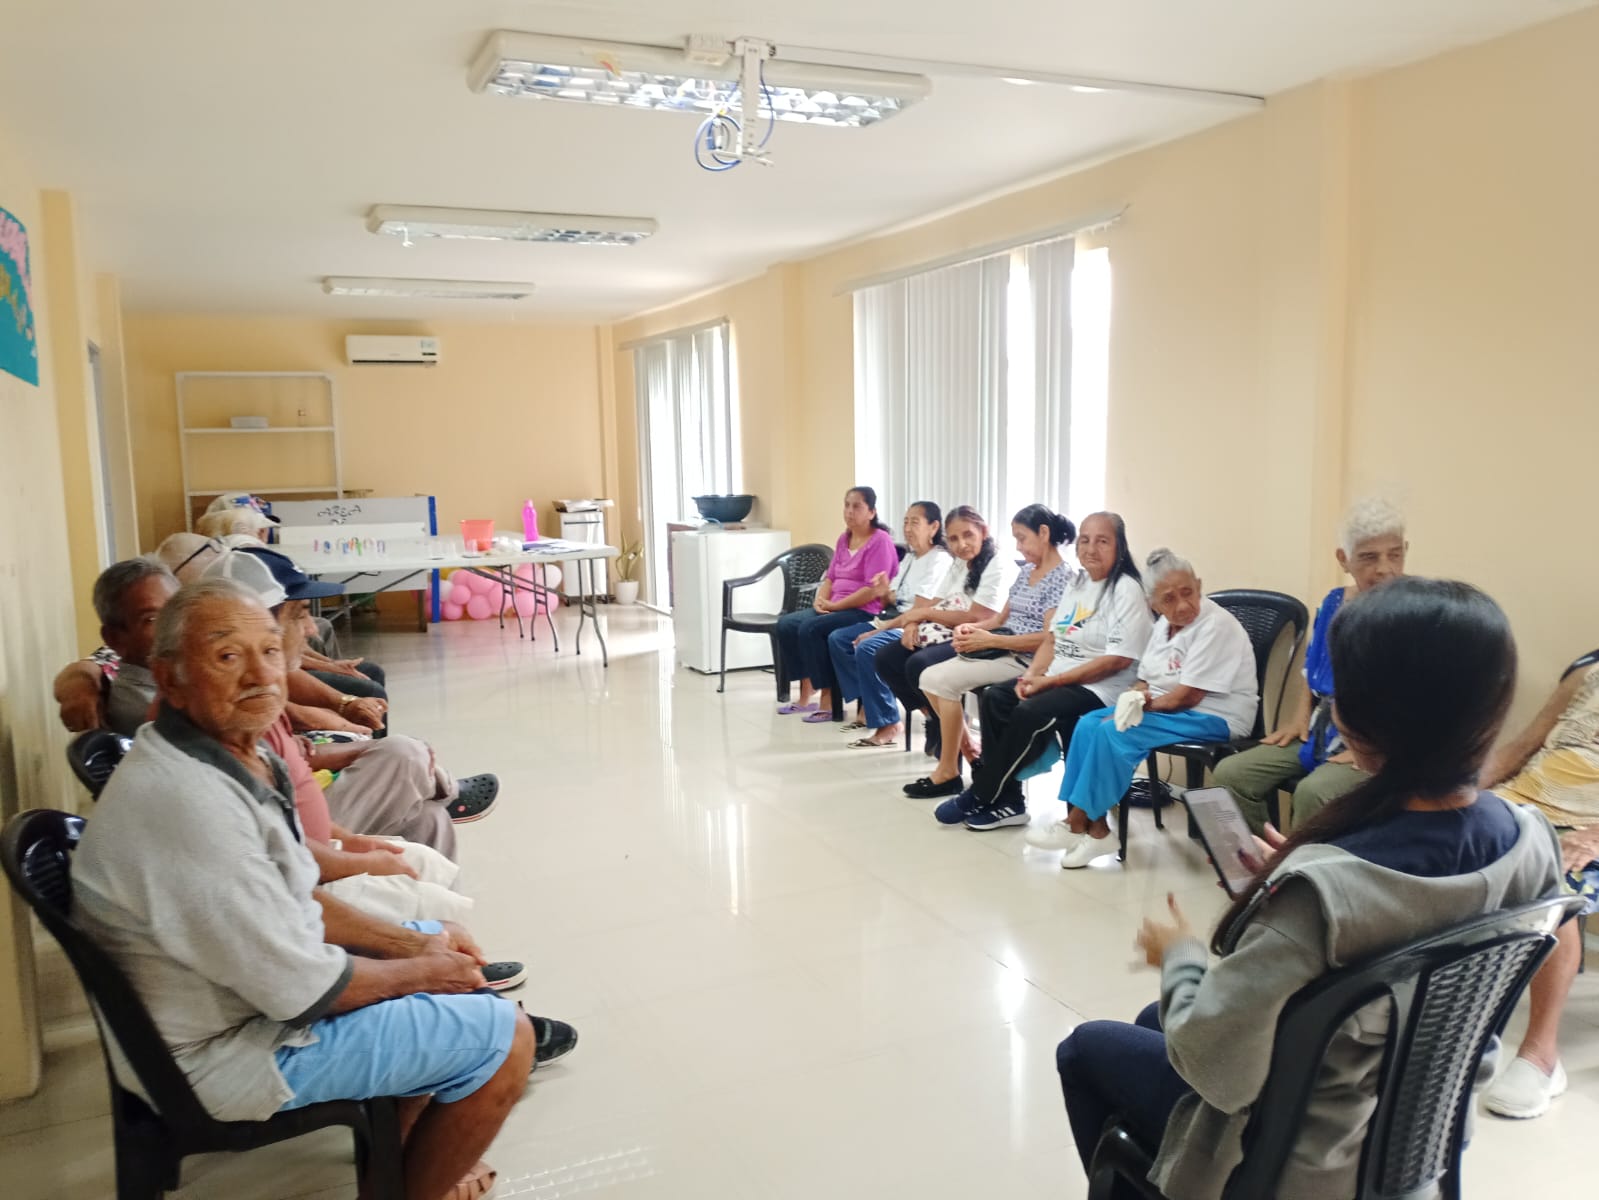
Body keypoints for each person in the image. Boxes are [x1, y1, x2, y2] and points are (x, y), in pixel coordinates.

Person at [1053, 578, 1565, 1200]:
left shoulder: (1319, 895)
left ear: (1353, 719)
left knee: (1086, 1048)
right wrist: (1295, 884)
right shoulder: (1532, 839)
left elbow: (1218, 1070)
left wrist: (1183, 957)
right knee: (1150, 1021)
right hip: (1421, 1137)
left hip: (1302, 1162)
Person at [71, 576, 577, 1200]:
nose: (261, 674)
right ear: (168, 676)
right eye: (227, 655)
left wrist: (416, 947)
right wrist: (422, 971)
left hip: (240, 998)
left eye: (269, 650)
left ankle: (397, 1166)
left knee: (438, 941)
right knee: (507, 1041)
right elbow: (304, 990)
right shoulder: (189, 803)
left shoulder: (226, 754)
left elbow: (297, 891)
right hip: (224, 1052)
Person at [1035, 549, 1258, 868]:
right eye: (1169, 599)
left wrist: (1138, 706)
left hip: (1215, 715)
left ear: (1198, 585)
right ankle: (1095, 828)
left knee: (1114, 729)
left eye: (1187, 592)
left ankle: (1077, 823)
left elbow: (1187, 697)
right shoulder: (1163, 626)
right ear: (1154, 604)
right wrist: (1133, 698)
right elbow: (1145, 679)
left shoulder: (1216, 624)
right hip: (1172, 709)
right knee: (1088, 724)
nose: (1182, 605)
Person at [941, 512, 1153, 831]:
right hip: (1059, 677)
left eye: (1102, 541)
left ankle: (982, 792)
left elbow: (1117, 661)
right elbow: (1053, 638)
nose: (1091, 548)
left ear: (1119, 546)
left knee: (1031, 711)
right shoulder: (1078, 582)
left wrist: (1050, 681)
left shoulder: (1126, 589)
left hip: (1102, 687)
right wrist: (1032, 675)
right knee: (997, 697)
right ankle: (1009, 804)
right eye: (1085, 540)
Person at [1212, 498, 1407, 833]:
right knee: (1230, 774)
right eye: (1369, 557)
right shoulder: (1334, 602)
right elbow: (1311, 667)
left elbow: (1421, 697)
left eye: (1394, 554)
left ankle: (1302, 865)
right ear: (1344, 559)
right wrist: (1300, 718)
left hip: (1385, 743)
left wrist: (1373, 747)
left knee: (1312, 793)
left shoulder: (1417, 610)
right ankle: (1263, 858)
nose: (1384, 568)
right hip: (1323, 728)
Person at [1478, 648, 1599, 1118]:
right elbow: (1525, 745)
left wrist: (1594, 835)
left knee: (1552, 882)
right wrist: (1456, 787)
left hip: (1588, 825)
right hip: (1524, 800)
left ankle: (1541, 1057)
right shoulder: (1588, 670)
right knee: (1433, 835)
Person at [908, 504, 1075, 801]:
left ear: (1044, 533)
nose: (1018, 547)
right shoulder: (1027, 572)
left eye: (1022, 538)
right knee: (928, 677)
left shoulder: (1061, 578)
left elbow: (1048, 639)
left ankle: (949, 770)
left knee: (939, 680)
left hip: (1028, 659)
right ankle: (956, 763)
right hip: (1003, 647)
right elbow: (1000, 619)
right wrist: (972, 630)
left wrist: (991, 641)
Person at [871, 505, 1011, 757]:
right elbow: (934, 602)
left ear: (983, 531)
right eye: (954, 539)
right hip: (944, 630)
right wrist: (912, 623)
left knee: (919, 663)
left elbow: (979, 617)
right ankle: (935, 716)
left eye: (968, 535)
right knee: (886, 657)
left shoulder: (997, 564)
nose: (961, 545)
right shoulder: (959, 563)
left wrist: (920, 615)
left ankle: (954, 735)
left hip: (978, 637)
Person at [825, 501, 953, 747]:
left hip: (914, 624)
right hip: (891, 618)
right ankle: (871, 702)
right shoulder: (910, 558)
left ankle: (888, 721)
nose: (908, 528)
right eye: (905, 522)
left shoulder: (939, 560)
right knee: (839, 639)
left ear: (934, 527)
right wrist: (883, 591)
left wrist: (880, 629)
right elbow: (891, 600)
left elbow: (918, 610)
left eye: (915, 522)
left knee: (868, 648)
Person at [773, 486, 901, 722]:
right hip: (835, 607)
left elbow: (872, 590)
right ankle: (806, 693)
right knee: (787, 624)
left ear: (872, 512)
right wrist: (820, 601)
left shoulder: (880, 541)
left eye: (857, 506)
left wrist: (834, 607)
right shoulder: (844, 538)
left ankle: (828, 698)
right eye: (846, 505)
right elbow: (830, 578)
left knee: (811, 629)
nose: (849, 511)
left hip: (862, 611)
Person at [92, 558, 180, 737]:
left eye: (178, 610)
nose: (177, 626)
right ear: (114, 638)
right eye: (152, 619)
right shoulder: (144, 711)